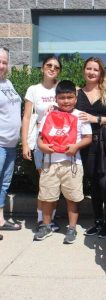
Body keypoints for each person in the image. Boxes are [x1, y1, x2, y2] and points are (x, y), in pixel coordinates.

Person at [33, 80, 92, 244]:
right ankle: (46, 226)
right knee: (47, 197)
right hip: (50, 164)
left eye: (69, 97)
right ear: (56, 98)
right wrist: (43, 147)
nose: (66, 101)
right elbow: (40, 139)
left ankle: (72, 228)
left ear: (75, 97)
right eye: (62, 97)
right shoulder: (49, 115)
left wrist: (76, 146)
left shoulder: (80, 115)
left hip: (72, 165)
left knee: (72, 198)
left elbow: (88, 138)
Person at [76, 57, 106, 238]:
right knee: (93, 182)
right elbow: (65, 108)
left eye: (95, 69)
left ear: (101, 72)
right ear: (84, 71)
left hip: (104, 143)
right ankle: (97, 221)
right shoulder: (76, 92)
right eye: (89, 68)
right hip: (86, 142)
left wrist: (98, 119)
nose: (92, 72)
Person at [22, 55, 62, 231]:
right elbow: (27, 117)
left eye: (56, 67)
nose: (52, 68)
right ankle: (41, 220)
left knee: (55, 182)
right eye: (49, 65)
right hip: (40, 142)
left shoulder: (61, 89)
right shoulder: (33, 90)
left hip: (60, 143)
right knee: (45, 182)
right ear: (42, 68)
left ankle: (51, 219)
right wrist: (24, 143)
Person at [0, 47, 22, 239]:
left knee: (4, 184)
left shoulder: (8, 83)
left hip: (10, 145)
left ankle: (0, 220)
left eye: (4, 62)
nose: (1, 65)